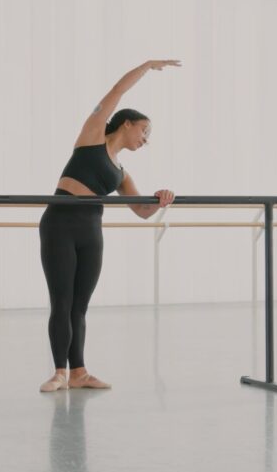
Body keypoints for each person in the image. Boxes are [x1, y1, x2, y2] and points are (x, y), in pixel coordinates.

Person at [39, 60, 180, 393]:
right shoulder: (92, 137)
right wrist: (146, 67)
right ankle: (60, 371)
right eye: (144, 131)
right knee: (61, 300)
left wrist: (161, 199)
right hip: (60, 223)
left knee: (80, 305)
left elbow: (140, 210)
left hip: (91, 230)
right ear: (127, 124)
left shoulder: (122, 172)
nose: (145, 140)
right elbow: (117, 91)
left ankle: (80, 372)